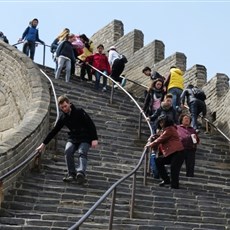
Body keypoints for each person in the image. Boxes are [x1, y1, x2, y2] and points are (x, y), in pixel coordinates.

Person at [36, 95, 98, 184]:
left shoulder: (79, 112)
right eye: (62, 108)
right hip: (73, 138)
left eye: (65, 106)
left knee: (82, 151)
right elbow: (54, 131)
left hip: (85, 137)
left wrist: (94, 138)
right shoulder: (63, 118)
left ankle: (80, 173)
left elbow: (90, 124)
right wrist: (44, 144)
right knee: (68, 151)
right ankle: (71, 174)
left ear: (69, 103)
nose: (64, 109)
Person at [146, 115, 185, 189]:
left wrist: (150, 145)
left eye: (163, 121)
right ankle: (166, 180)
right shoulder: (165, 130)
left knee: (174, 168)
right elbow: (160, 137)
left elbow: (161, 139)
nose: (161, 123)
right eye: (160, 122)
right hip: (171, 152)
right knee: (159, 161)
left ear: (167, 121)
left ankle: (174, 185)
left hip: (178, 152)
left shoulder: (170, 129)